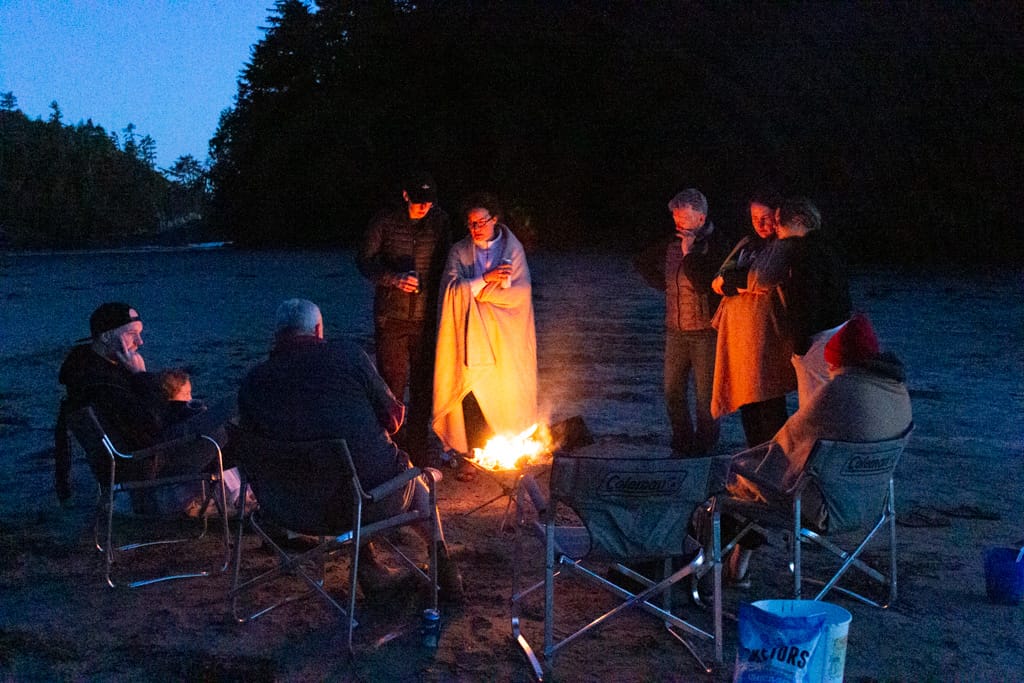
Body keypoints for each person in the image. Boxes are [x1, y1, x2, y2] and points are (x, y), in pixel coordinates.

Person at [237, 298, 463, 600]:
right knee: (413, 478)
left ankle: (370, 568)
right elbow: (394, 420)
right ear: (318, 329)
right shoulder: (348, 356)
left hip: (287, 508)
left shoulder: (252, 382)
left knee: (342, 468)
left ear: (277, 334)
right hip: (362, 505)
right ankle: (443, 567)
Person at [722, 313, 913, 581]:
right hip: (872, 503)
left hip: (825, 509)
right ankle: (734, 565)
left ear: (841, 361)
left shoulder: (840, 392)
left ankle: (711, 576)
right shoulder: (897, 391)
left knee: (727, 487)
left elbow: (785, 446)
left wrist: (738, 471)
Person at [57, 303, 230, 487]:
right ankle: (233, 498)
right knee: (225, 430)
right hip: (143, 464)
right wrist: (141, 376)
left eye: (140, 334)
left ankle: (230, 495)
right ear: (106, 337)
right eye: (132, 334)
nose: (140, 342)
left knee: (230, 413)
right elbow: (151, 424)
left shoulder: (98, 370)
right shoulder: (99, 382)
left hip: (146, 455)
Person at [432, 193, 537, 478]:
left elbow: (520, 293)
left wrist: (478, 292)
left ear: (495, 220)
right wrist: (485, 281)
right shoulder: (459, 252)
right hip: (469, 335)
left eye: (481, 221)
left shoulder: (512, 250)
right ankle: (472, 455)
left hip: (506, 337)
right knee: (471, 391)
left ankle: (506, 447)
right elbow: (450, 291)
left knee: (505, 391)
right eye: (470, 223)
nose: (476, 227)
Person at [356, 172, 452, 467]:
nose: (424, 208)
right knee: (392, 385)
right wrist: (393, 279)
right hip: (392, 318)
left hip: (426, 317)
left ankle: (419, 447)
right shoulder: (385, 221)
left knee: (423, 385)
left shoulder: (440, 222)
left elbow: (448, 261)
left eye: (429, 202)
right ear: (405, 195)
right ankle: (393, 449)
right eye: (419, 201)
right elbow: (364, 260)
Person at [634, 188, 729, 456]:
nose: (678, 223)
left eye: (683, 218)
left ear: (700, 218)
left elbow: (703, 285)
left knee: (704, 397)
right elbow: (641, 261)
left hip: (705, 331)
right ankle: (683, 442)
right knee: (672, 390)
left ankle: (705, 446)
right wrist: (664, 284)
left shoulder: (716, 245)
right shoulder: (672, 242)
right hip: (675, 330)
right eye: (675, 217)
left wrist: (689, 255)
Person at [710, 191, 797, 447]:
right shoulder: (748, 244)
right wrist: (738, 282)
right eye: (755, 217)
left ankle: (775, 466)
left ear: (778, 216)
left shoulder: (782, 245)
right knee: (748, 404)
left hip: (766, 339)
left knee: (769, 404)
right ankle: (755, 462)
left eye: (766, 217)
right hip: (741, 342)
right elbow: (717, 280)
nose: (760, 224)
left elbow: (761, 278)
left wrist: (736, 281)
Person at [772, 197, 851, 405]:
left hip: (818, 338)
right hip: (836, 329)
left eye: (779, 220)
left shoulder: (806, 253)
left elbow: (805, 300)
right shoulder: (827, 245)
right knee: (829, 397)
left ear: (798, 220)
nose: (775, 226)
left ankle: (816, 438)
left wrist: (799, 346)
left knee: (813, 403)